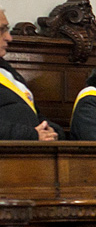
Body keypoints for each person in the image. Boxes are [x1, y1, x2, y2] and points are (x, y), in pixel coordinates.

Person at [0, 8, 61, 140]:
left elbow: (34, 113)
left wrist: (51, 130)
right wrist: (32, 135)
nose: (8, 37)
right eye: (1, 30)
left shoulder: (7, 72)